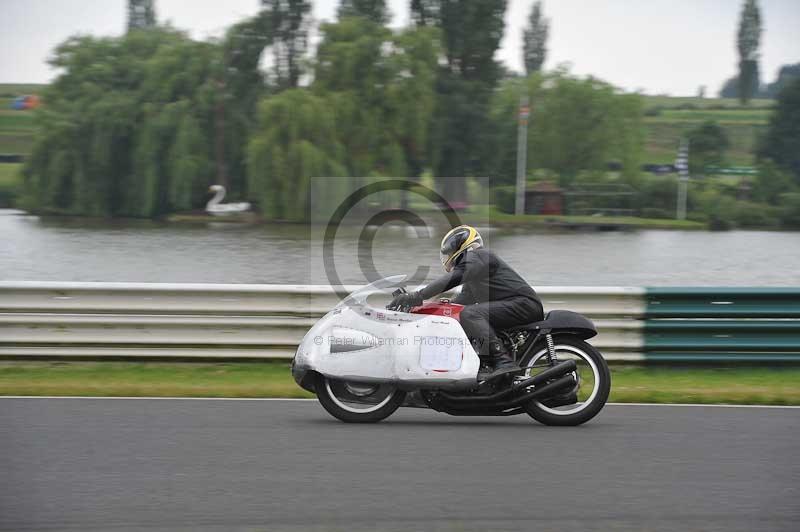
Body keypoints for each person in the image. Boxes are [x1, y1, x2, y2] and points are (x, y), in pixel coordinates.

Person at [388, 225, 544, 378]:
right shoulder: (476, 273)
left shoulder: (479, 256)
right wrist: (435, 309)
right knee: (462, 315)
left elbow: (454, 278)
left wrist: (417, 296)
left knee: (470, 314)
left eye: (448, 252)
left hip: (523, 304)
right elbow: (462, 301)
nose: (447, 256)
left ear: (460, 247)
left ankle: (503, 361)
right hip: (518, 305)